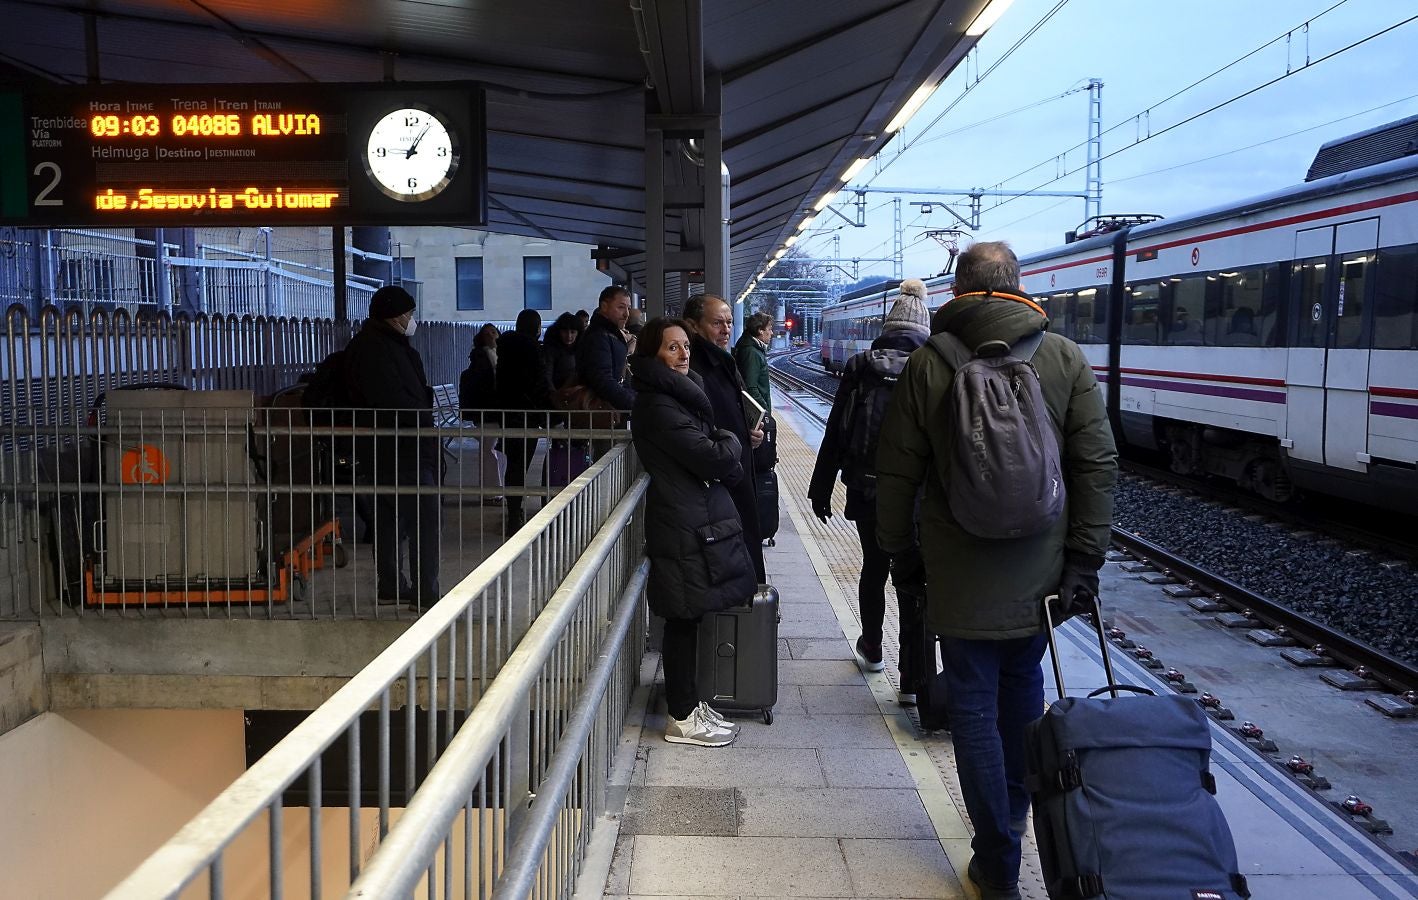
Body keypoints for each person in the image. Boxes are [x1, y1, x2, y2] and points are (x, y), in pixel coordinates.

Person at [876, 242, 1118, 900]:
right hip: (1040, 571)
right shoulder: (1064, 358)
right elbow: (1096, 465)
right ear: (1018, 287)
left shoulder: (931, 363)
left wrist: (902, 556)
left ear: (959, 291)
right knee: (1024, 689)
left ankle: (998, 859)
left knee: (974, 707)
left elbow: (896, 474)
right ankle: (1016, 814)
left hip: (956, 571)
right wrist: (1084, 560)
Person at [630, 317, 755, 747]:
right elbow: (714, 457)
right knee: (683, 619)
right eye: (672, 348)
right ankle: (682, 717)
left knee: (694, 616)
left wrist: (723, 446)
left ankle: (691, 705)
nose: (683, 355)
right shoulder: (659, 406)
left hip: (692, 517)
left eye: (685, 346)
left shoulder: (677, 398)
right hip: (681, 523)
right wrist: (731, 443)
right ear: (653, 354)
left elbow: (713, 453)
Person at [808, 278, 930, 696]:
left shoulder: (863, 364)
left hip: (867, 488)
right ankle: (913, 678)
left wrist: (820, 486)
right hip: (916, 496)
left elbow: (837, 428)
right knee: (914, 577)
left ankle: (873, 647)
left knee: (873, 569)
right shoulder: (932, 366)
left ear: (888, 323)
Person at [343, 285, 441, 612]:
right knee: (423, 520)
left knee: (388, 519)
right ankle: (425, 594)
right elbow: (392, 400)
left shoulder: (376, 345)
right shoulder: (380, 349)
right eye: (409, 314)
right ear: (394, 316)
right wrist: (422, 420)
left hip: (384, 449)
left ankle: (390, 586)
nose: (412, 319)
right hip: (404, 447)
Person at [684, 293, 766, 582]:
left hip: (735, 468)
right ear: (693, 326)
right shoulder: (693, 368)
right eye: (717, 323)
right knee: (728, 560)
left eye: (729, 322)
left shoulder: (724, 360)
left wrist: (750, 433)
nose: (726, 329)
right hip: (719, 481)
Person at [497, 309, 552, 534]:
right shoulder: (534, 352)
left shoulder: (504, 349)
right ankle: (514, 515)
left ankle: (513, 513)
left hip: (508, 414)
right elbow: (539, 384)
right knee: (522, 464)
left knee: (514, 465)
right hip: (528, 414)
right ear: (537, 328)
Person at [575, 286, 636, 410]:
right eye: (621, 307)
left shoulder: (608, 334)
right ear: (604, 307)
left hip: (611, 406)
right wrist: (633, 402)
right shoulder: (598, 337)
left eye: (628, 308)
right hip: (602, 410)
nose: (626, 314)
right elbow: (602, 379)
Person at [733, 311, 773, 414]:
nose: (771, 333)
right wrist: (765, 411)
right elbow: (751, 388)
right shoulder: (751, 352)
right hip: (758, 413)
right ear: (760, 330)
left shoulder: (752, 348)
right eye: (769, 329)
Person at [541, 311, 583, 391]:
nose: (569, 336)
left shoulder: (582, 349)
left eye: (572, 332)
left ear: (578, 333)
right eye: (565, 331)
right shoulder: (551, 350)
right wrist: (554, 395)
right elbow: (547, 375)